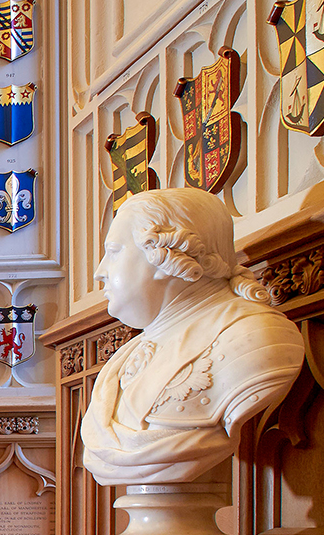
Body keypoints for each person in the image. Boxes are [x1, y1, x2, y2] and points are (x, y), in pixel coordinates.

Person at [82, 188, 304, 486]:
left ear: (164, 255)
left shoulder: (258, 338)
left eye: (114, 252)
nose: (100, 272)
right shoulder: (124, 360)